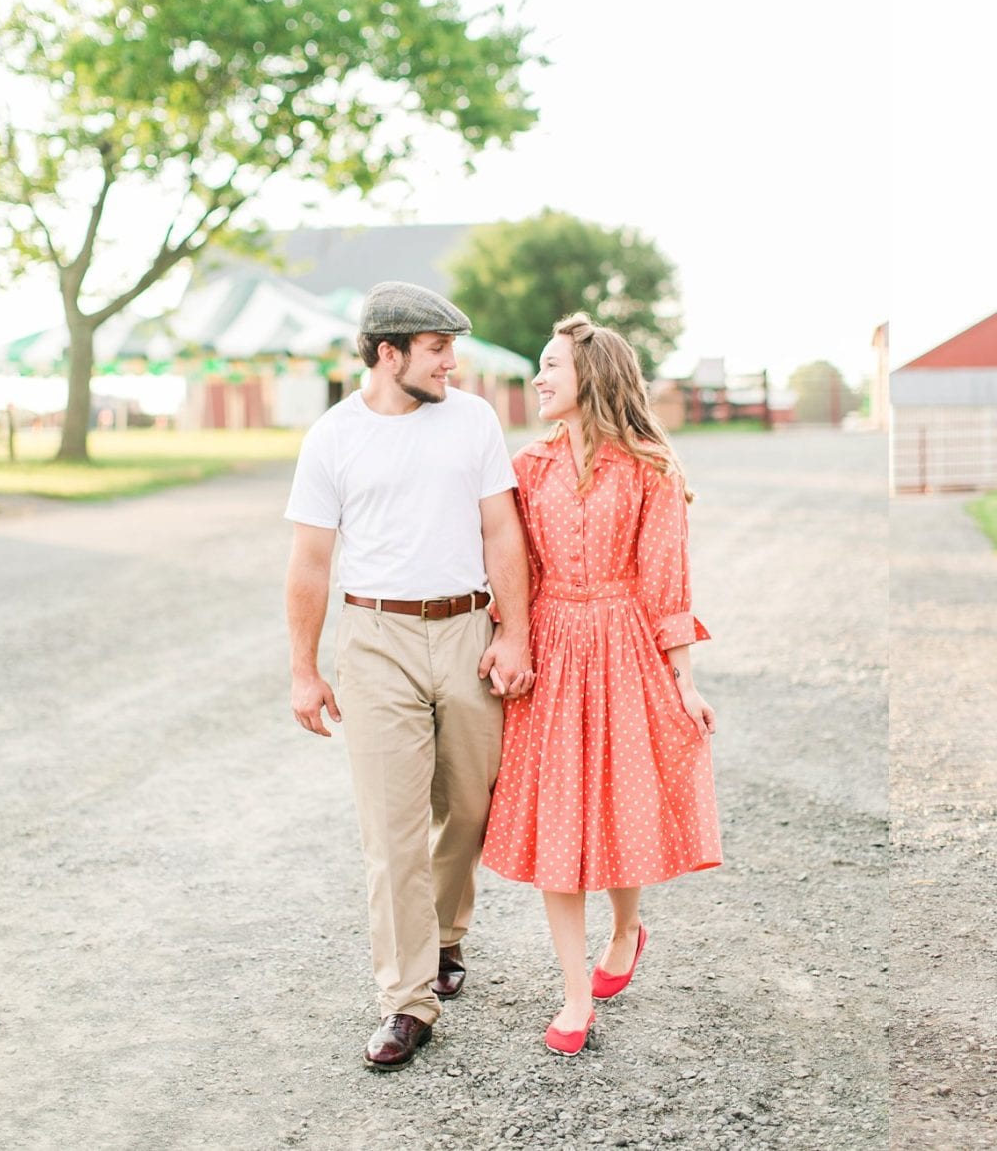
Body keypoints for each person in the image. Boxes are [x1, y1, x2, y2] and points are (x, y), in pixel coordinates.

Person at [284, 282, 535, 1071]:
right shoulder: (332, 437)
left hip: (466, 630)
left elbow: (502, 528)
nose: (452, 362)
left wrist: (515, 630)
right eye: (437, 348)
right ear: (388, 353)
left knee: (469, 802)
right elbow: (310, 561)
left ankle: (446, 933)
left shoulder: (474, 419)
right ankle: (407, 998)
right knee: (391, 833)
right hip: (375, 639)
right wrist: (303, 669)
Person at [481, 313, 721, 1056]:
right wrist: (505, 632)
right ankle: (574, 992)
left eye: (552, 365)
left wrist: (683, 681)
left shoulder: (649, 466)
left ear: (594, 375)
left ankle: (625, 928)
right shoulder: (529, 464)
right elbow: (512, 564)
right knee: (560, 817)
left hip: (623, 645)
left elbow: (665, 580)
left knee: (617, 804)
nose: (539, 378)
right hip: (552, 645)